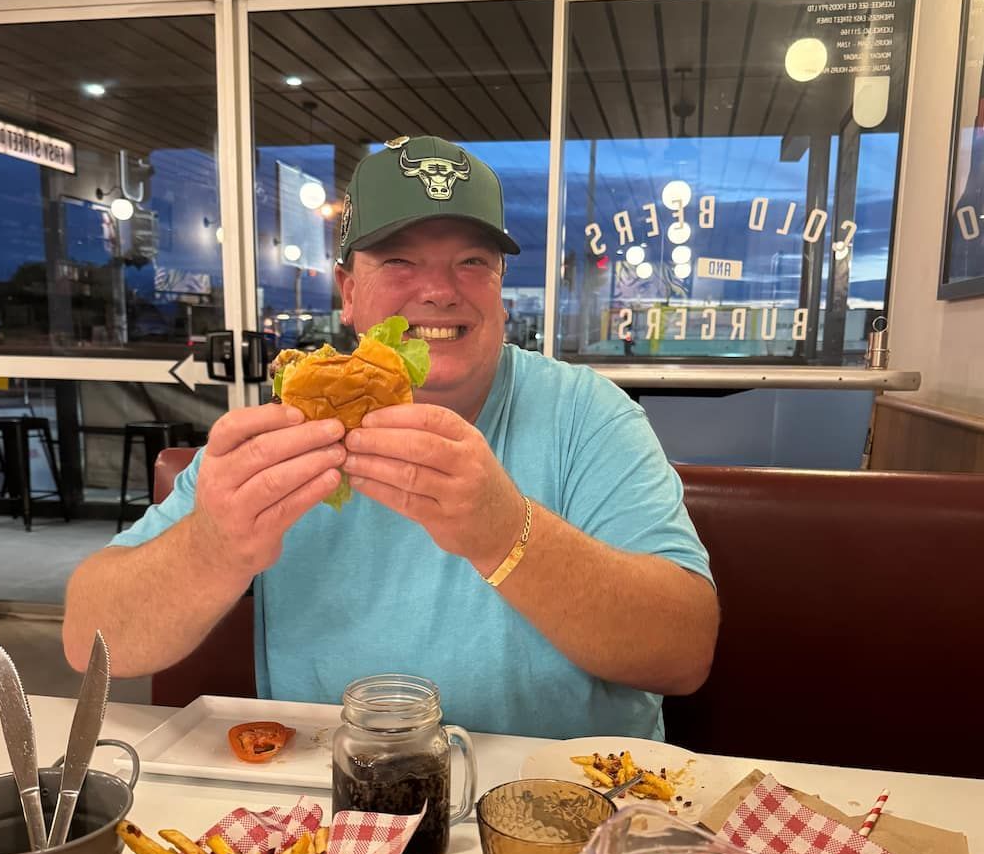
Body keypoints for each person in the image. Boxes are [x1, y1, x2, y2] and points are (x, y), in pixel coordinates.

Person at [64, 136, 718, 740]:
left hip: (555, 806)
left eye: (471, 262)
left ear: (498, 288)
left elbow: (683, 652)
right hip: (330, 808)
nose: (438, 290)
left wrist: (504, 532)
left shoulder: (587, 416)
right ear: (348, 291)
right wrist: (212, 548)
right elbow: (90, 638)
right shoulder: (292, 423)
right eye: (400, 261)